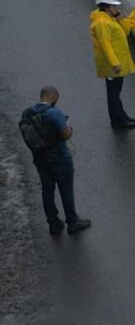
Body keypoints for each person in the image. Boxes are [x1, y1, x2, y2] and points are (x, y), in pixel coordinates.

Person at [19, 87, 89, 235]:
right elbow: (65, 134)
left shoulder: (27, 113)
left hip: (39, 157)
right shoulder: (55, 113)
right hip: (59, 157)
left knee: (47, 189)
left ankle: (53, 223)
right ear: (54, 97)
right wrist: (69, 127)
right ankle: (72, 221)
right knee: (66, 189)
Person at [88, 0, 135, 130]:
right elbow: (105, 45)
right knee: (113, 94)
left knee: (116, 93)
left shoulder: (110, 19)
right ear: (106, 7)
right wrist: (114, 63)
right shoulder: (102, 23)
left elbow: (126, 31)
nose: (117, 8)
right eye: (114, 6)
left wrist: (120, 18)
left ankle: (121, 116)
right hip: (112, 65)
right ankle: (118, 121)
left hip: (118, 63)